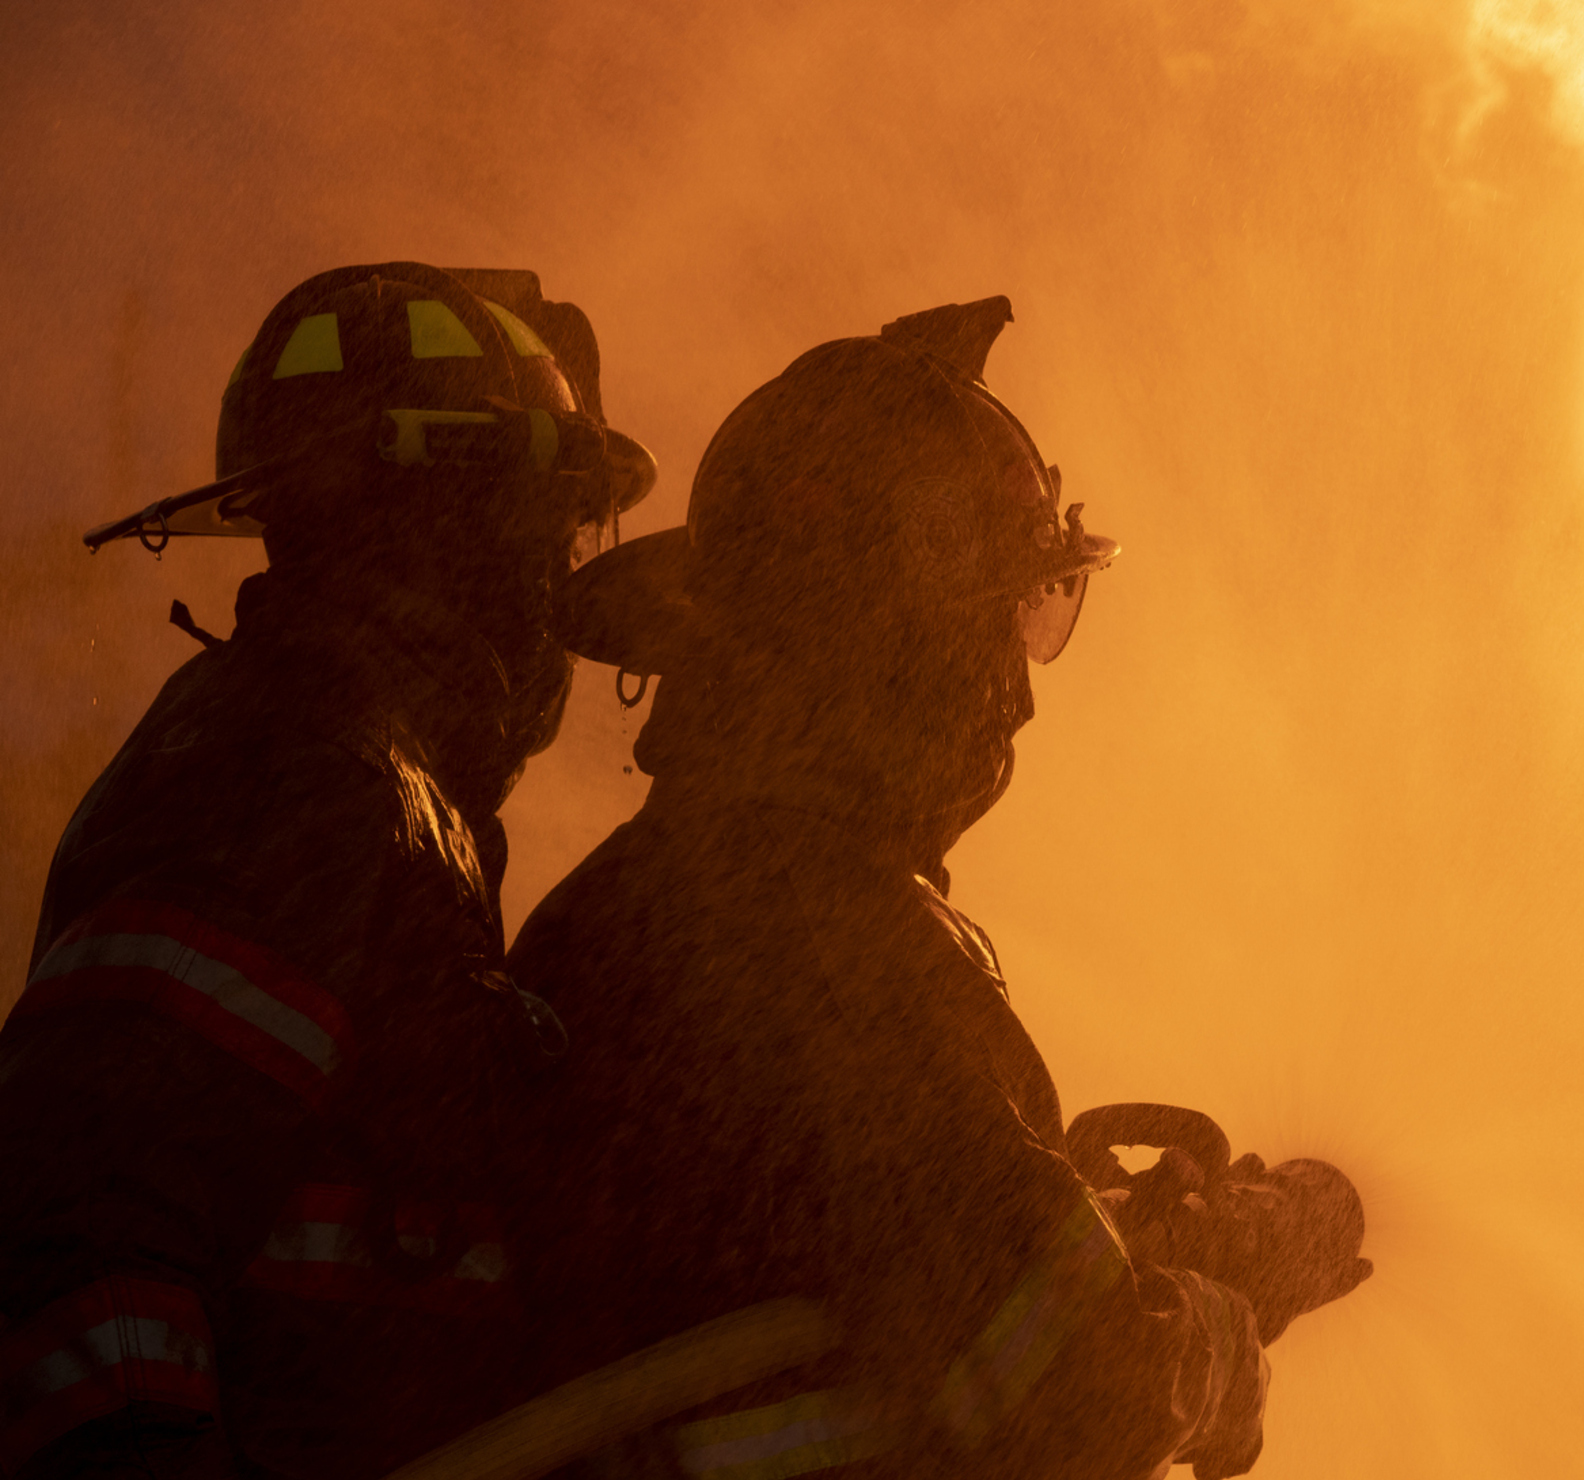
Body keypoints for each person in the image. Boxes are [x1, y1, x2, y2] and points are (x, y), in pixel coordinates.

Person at [507, 298, 1368, 1480]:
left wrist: (1110, 1233)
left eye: (1040, 617)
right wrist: (1217, 1332)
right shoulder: (831, 946)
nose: (1016, 701)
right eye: (996, 633)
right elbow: (1076, 1384)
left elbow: (888, 1272)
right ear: (886, 647)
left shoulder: (627, 907)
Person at [1, 263, 655, 1479]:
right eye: (551, 523)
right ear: (455, 517)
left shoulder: (360, 775)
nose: (562, 580)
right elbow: (77, 1226)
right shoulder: (294, 770)